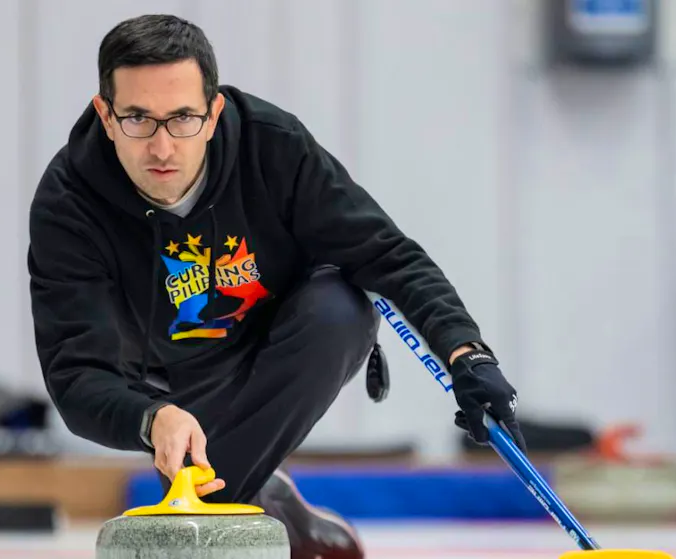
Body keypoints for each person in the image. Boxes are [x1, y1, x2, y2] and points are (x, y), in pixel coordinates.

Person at [27, 14, 525, 559]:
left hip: (275, 347)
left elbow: (385, 252)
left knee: (342, 306)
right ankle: (279, 510)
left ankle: (252, 518)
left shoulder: (272, 145)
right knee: (219, 477)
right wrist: (151, 418)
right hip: (164, 380)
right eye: (139, 120)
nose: (163, 148)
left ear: (214, 112)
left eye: (184, 118)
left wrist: (467, 353)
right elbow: (76, 376)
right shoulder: (68, 206)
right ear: (106, 115)